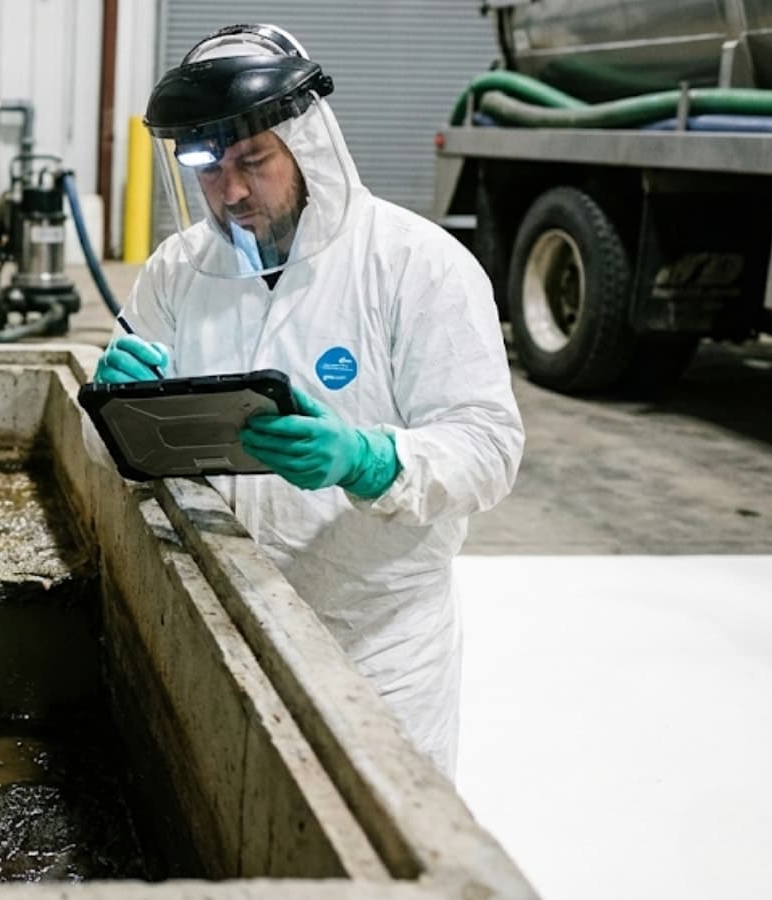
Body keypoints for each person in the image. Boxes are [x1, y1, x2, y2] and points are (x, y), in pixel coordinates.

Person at [94, 24, 524, 778]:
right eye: (208, 169)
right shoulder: (178, 271)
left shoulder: (415, 266)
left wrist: (372, 458)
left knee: (380, 849)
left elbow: (488, 447)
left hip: (375, 641)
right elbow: (124, 444)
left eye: (253, 162)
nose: (230, 193)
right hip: (221, 618)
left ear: (307, 146)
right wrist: (114, 406)